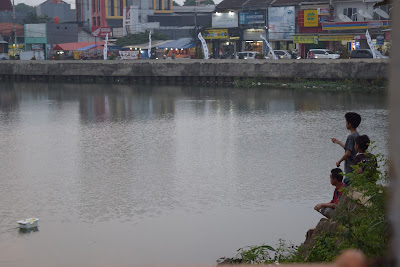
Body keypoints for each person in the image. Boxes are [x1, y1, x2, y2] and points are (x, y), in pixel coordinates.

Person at [331, 112, 361, 185]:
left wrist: (339, 161)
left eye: (346, 122)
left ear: (349, 124)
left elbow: (348, 153)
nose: (345, 123)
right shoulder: (357, 135)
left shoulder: (350, 137)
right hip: (356, 169)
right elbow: (350, 149)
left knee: (347, 189)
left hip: (350, 169)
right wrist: (338, 142)